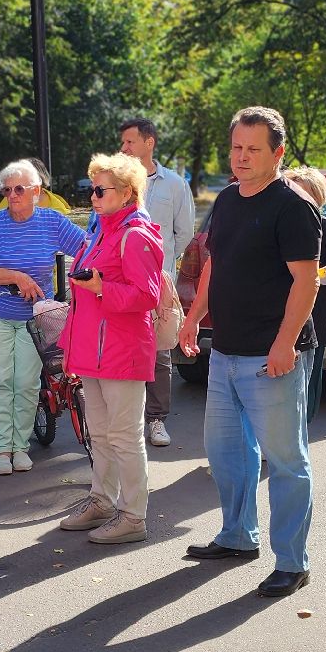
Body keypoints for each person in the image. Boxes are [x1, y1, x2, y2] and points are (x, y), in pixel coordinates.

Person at [177, 106, 320, 598]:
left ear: (278, 154)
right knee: (228, 454)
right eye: (236, 147)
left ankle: (292, 562)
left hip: (270, 358)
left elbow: (306, 283)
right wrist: (194, 317)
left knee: (285, 462)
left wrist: (284, 345)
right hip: (225, 353)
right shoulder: (228, 200)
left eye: (252, 149)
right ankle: (238, 536)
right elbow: (216, 264)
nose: (240, 157)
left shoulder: (293, 206)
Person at [57, 152, 164, 544]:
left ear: (127, 193)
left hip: (121, 352)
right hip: (94, 349)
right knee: (99, 434)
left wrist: (102, 286)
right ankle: (102, 500)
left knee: (123, 436)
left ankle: (133, 516)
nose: (93, 196)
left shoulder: (135, 234)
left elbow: (147, 295)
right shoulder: (103, 229)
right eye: (92, 188)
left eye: (100, 190)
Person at [0, 159, 89, 474]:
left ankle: (20, 446)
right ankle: (1, 449)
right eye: (7, 190)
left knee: (24, 383)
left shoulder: (52, 221)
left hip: (33, 317)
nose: (12, 195)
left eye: (19, 189)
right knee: (0, 379)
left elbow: (87, 247)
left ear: (36, 191)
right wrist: (17, 277)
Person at [118, 117, 193, 448]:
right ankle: (128, 422)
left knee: (160, 354)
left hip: (159, 286)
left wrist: (164, 271)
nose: (124, 148)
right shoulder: (116, 183)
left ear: (149, 143)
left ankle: (157, 420)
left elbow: (184, 233)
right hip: (120, 285)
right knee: (125, 351)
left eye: (130, 142)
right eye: (122, 143)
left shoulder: (175, 184)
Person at [284, 167, 326, 419]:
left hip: (317, 313)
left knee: (309, 379)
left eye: (305, 191)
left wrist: (318, 277)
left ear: (317, 197)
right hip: (281, 313)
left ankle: (303, 426)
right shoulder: (280, 224)